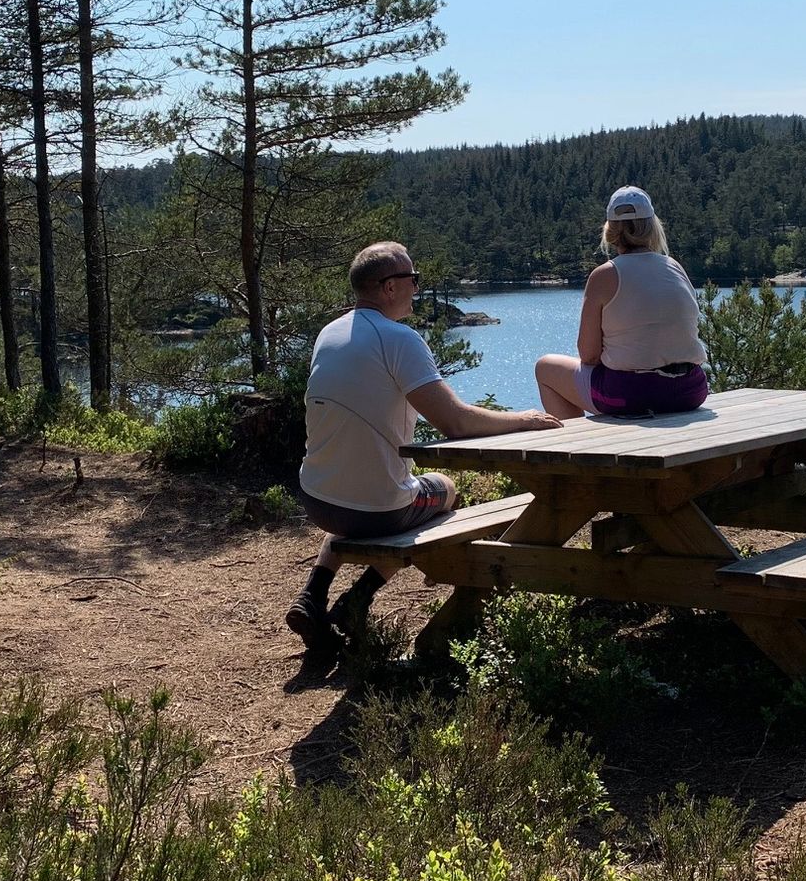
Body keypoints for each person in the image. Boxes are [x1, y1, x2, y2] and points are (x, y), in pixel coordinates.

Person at [288, 241, 561, 653]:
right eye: (413, 279)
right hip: (378, 509)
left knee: (356, 488)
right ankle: (357, 600)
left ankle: (312, 596)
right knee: (445, 490)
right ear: (389, 287)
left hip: (316, 498)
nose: (418, 287)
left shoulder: (330, 333)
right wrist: (524, 419)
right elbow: (455, 422)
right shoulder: (399, 339)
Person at [533, 185, 709, 420]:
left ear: (610, 231)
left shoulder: (604, 275)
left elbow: (589, 356)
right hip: (690, 391)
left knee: (545, 368)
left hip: (629, 396)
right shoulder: (674, 267)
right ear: (652, 227)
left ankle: (579, 449)